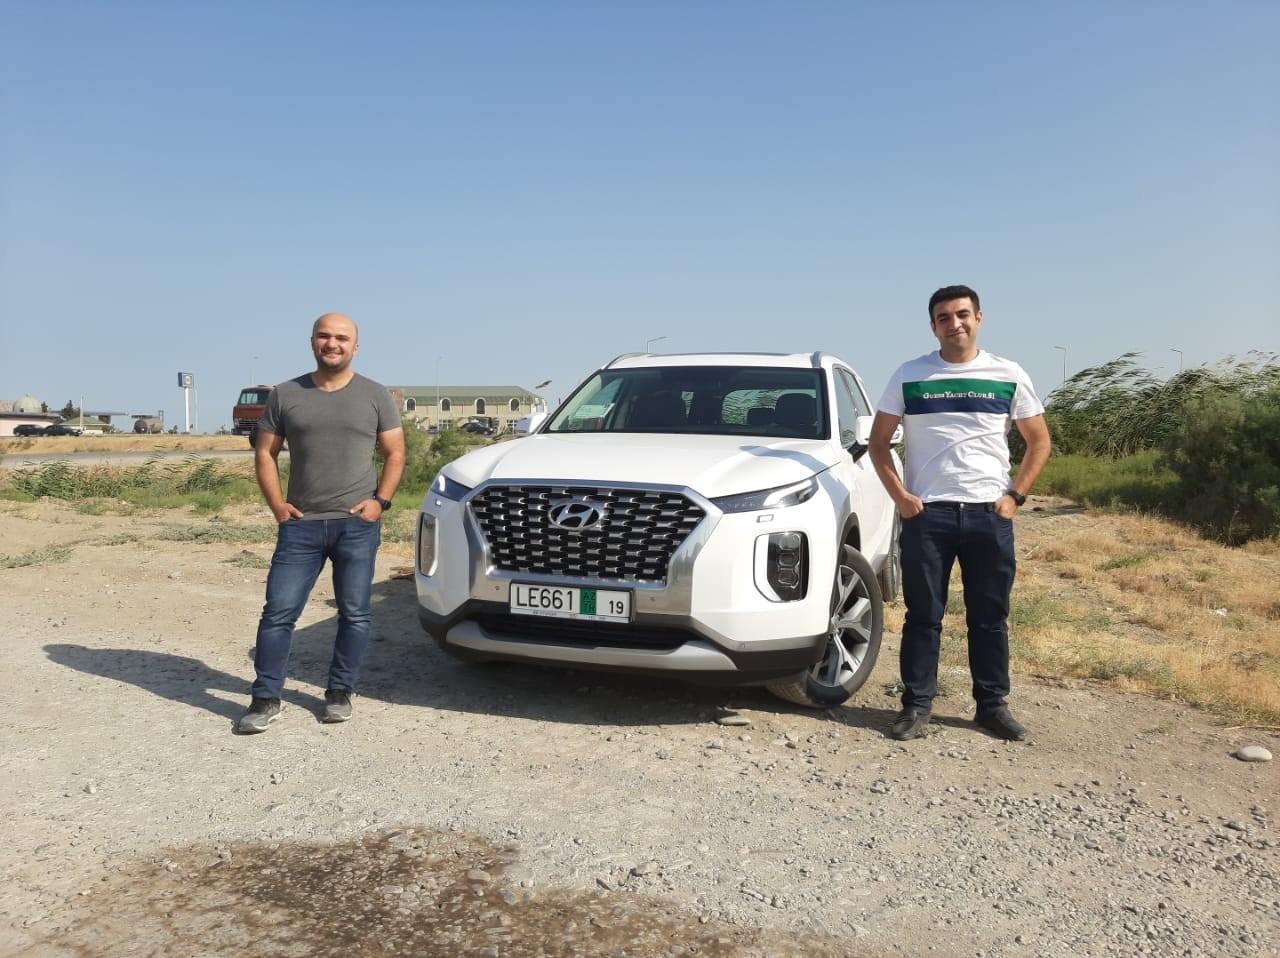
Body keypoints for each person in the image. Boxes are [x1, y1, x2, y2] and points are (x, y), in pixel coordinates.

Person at [869, 285, 1051, 742]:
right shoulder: (910, 375)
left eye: (962, 314)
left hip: (989, 515)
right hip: (927, 516)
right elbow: (878, 444)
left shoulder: (1008, 373)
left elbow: (1039, 441)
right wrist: (901, 498)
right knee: (923, 616)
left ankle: (992, 707)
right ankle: (916, 706)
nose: (955, 324)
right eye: (944, 318)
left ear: (979, 318)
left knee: (989, 618)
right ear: (933, 326)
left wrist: (1015, 497)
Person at [238, 313, 405, 734]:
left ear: (355, 346)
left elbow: (395, 453)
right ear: (312, 341)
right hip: (301, 526)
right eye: (325, 336)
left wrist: (380, 502)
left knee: (355, 614)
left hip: (357, 526)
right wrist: (278, 507)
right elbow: (264, 453)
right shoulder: (286, 394)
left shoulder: (375, 394)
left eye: (342, 338)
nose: (333, 343)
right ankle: (265, 698)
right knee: (278, 613)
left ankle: (339, 692)